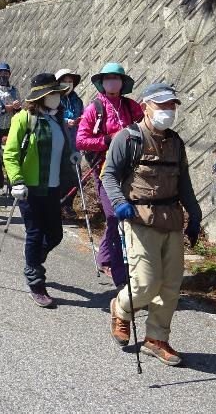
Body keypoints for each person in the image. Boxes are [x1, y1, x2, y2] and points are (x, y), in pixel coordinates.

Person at [102, 83, 202, 366]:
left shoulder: (176, 142)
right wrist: (120, 202)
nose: (168, 111)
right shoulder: (128, 138)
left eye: (171, 106)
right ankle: (121, 310)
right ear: (145, 106)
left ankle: (156, 338)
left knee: (170, 286)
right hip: (139, 219)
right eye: (161, 106)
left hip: (171, 219)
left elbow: (184, 184)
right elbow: (109, 175)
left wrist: (195, 216)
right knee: (145, 284)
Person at [3, 72, 80, 308]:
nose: (57, 97)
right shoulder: (24, 118)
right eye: (53, 93)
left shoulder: (57, 120)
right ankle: (36, 281)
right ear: (41, 97)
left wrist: (72, 155)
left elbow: (63, 147)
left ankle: (32, 262)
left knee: (55, 234)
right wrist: (16, 181)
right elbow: (11, 152)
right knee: (35, 233)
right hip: (30, 188)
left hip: (54, 186)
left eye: (58, 93)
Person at [76, 63, 145, 290]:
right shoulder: (94, 108)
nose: (113, 82)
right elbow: (81, 140)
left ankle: (105, 257)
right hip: (106, 170)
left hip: (132, 170)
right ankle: (120, 276)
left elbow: (145, 128)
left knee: (121, 218)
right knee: (115, 216)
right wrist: (108, 140)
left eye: (117, 78)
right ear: (102, 82)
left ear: (123, 82)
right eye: (109, 78)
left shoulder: (132, 106)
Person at [0, 63, 21, 197]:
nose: (3, 75)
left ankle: (12, 184)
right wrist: (6, 107)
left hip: (10, 126)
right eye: (0, 73)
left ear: (9, 74)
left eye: (5, 73)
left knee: (10, 155)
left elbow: (18, 108)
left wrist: (16, 107)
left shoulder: (14, 90)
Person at [55, 69, 85, 218]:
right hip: (59, 143)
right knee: (59, 175)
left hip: (75, 143)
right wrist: (66, 121)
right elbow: (52, 117)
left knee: (75, 176)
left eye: (70, 81)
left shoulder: (77, 100)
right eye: (64, 81)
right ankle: (57, 205)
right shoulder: (54, 99)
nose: (67, 84)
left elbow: (84, 117)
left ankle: (68, 205)